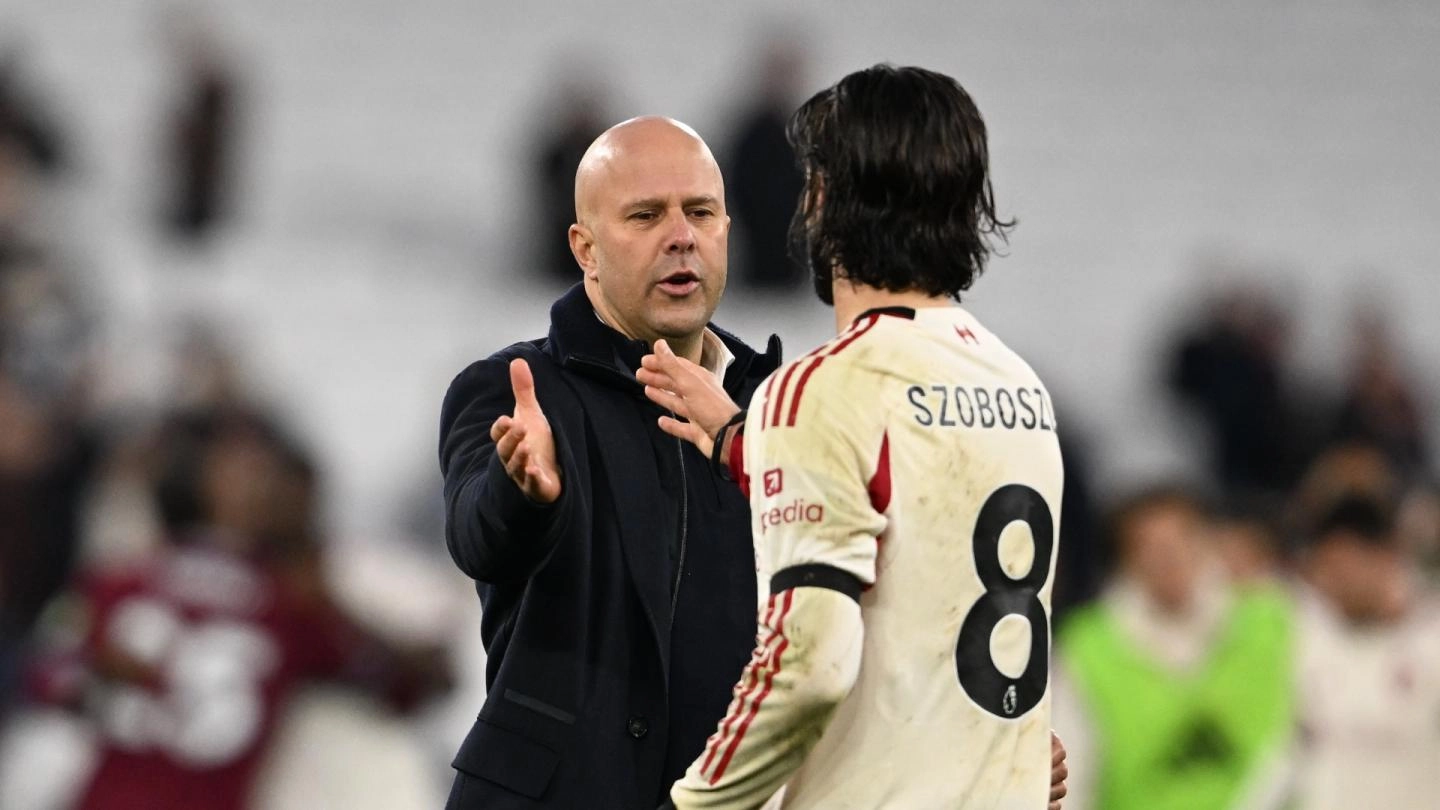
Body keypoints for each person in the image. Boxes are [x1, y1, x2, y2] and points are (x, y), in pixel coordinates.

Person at [639, 64, 1068, 809]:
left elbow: (810, 664)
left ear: (827, 199)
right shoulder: (1020, 388)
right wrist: (742, 438)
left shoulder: (825, 388)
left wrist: (698, 804)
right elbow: (916, 545)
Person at [437, 116, 783, 809]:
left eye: (700, 213)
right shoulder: (513, 389)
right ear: (585, 249)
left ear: (726, 230)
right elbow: (479, 536)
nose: (681, 236)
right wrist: (522, 492)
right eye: (646, 216)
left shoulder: (777, 411)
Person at [1051, 488, 1294, 810]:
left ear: (1208, 542)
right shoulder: (1087, 646)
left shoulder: (1273, 618)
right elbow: (1073, 775)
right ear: (1126, 560)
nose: (1169, 558)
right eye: (1150, 547)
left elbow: (1304, 744)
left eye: (1181, 541)